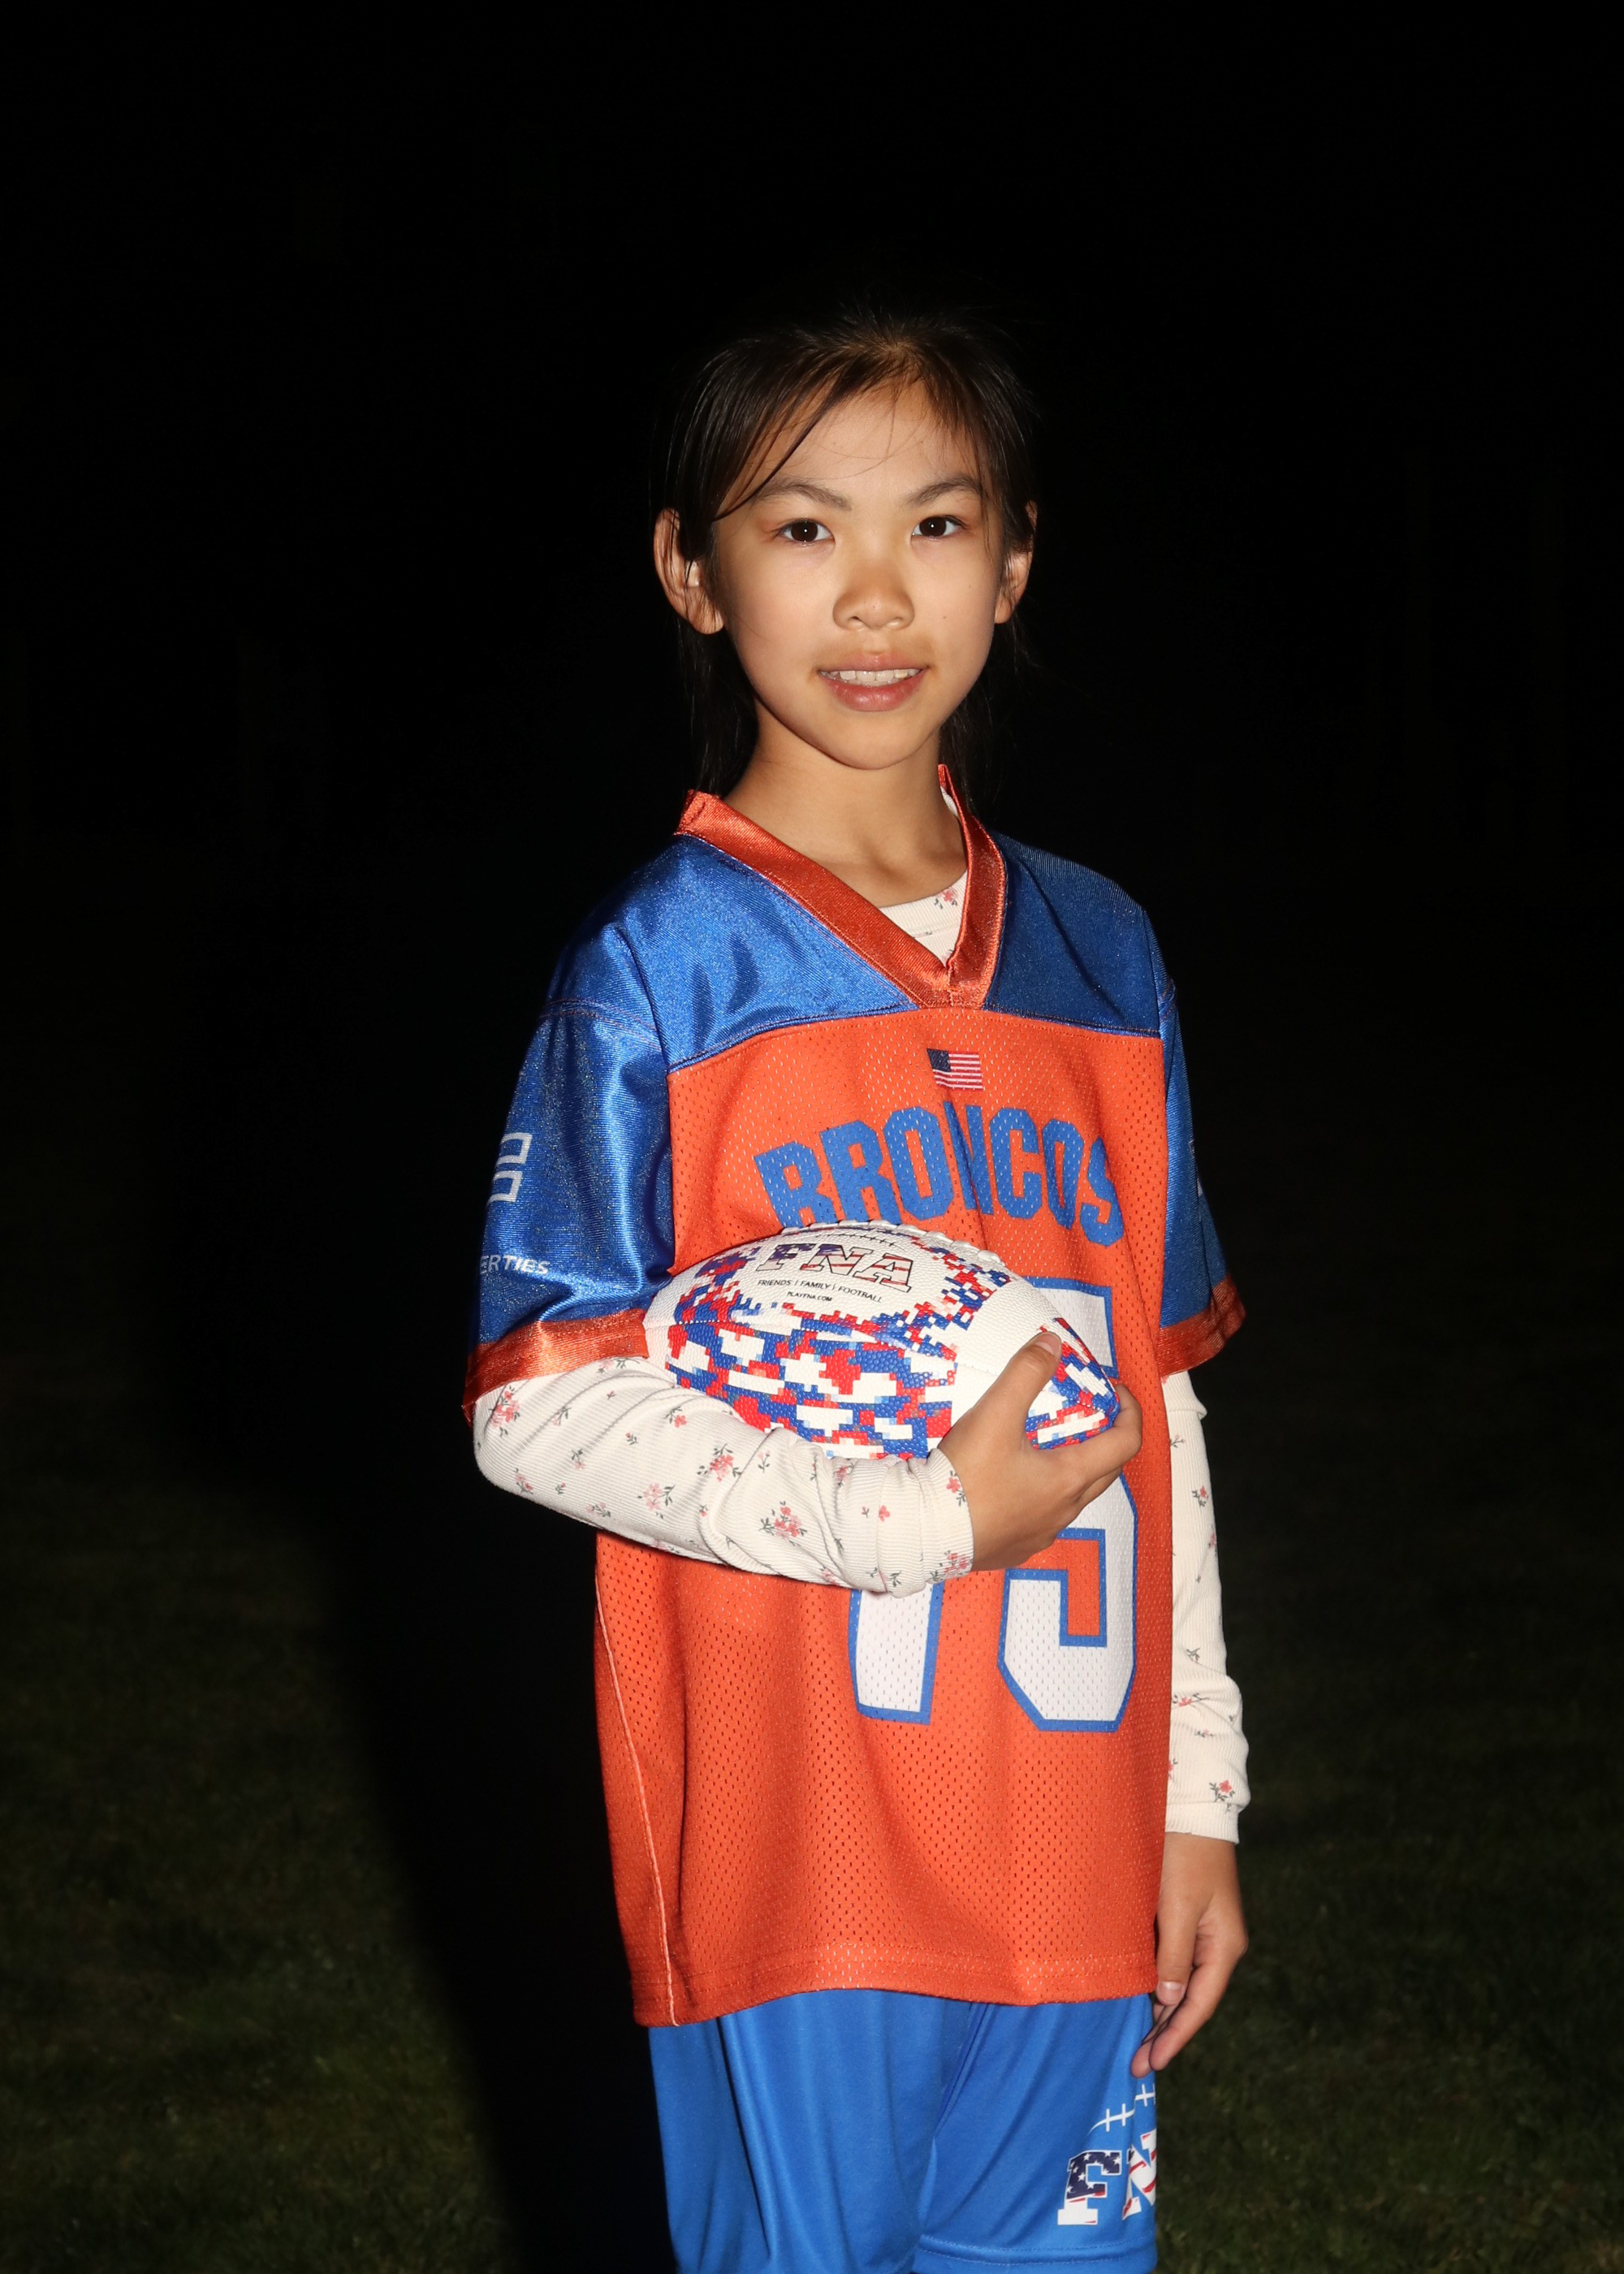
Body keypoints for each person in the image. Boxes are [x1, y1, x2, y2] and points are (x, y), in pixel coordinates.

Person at [468, 297, 1249, 2273]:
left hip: (1067, 1843)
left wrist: (1197, 1792)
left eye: (936, 523)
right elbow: (535, 1397)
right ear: (691, 570)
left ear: (1016, 560)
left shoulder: (1101, 948)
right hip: (795, 1866)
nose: (877, 592)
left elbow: (1153, 1397)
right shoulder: (663, 963)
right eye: (804, 526)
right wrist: (911, 1520)